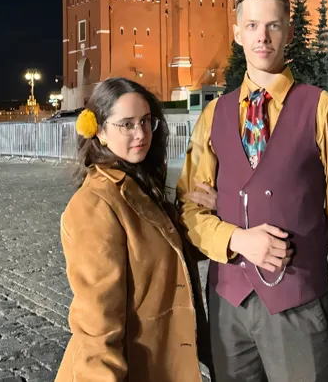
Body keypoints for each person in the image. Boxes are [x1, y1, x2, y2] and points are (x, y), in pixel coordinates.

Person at [177, 0, 328, 382]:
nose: (262, 36)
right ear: (237, 33)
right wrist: (238, 238)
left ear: (289, 32)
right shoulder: (214, 114)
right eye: (251, 25)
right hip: (228, 304)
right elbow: (189, 209)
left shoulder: (321, 108)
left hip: (296, 303)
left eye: (273, 26)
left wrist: (294, 241)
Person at [55, 77, 212, 382]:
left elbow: (167, 254)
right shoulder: (94, 205)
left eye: (145, 121)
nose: (140, 133)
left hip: (160, 364)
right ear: (98, 131)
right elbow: (97, 325)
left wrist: (202, 213)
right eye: (126, 124)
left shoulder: (139, 185)